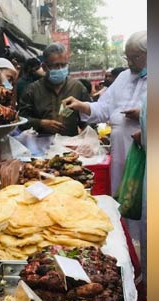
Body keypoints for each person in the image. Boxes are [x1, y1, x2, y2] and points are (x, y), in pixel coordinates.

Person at [63, 30, 147, 195]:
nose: (129, 62)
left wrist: (143, 115)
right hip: (120, 150)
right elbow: (104, 108)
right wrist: (81, 105)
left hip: (145, 152)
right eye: (127, 57)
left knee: (145, 201)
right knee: (121, 197)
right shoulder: (124, 77)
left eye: (134, 57)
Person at [18, 43, 90, 136]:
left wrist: (88, 134)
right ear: (44, 67)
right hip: (41, 147)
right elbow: (21, 120)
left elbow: (88, 117)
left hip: (70, 146)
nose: (60, 69)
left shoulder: (77, 87)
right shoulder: (32, 90)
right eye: (56, 66)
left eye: (63, 65)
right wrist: (40, 123)